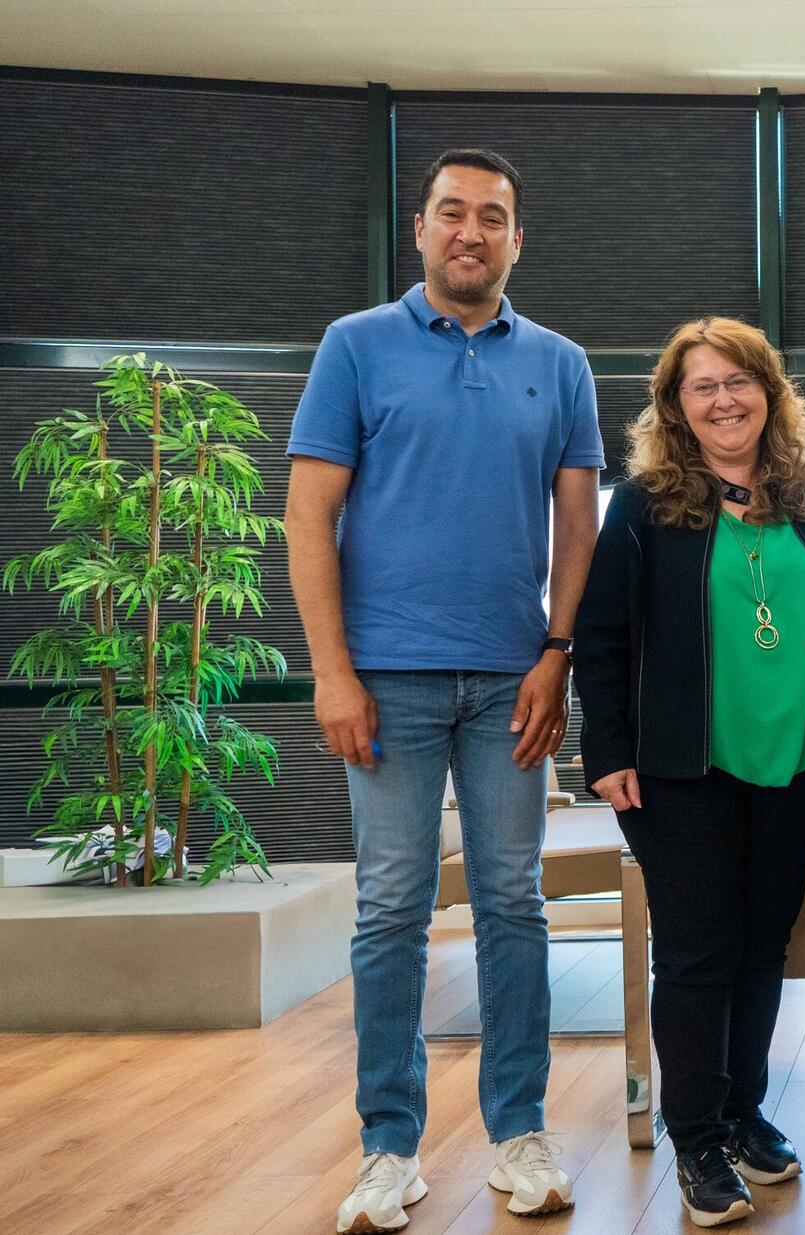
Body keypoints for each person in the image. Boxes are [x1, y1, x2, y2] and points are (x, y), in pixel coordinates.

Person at [286, 148, 596, 1233]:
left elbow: (578, 524)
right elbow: (307, 516)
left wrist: (557, 654)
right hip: (384, 682)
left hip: (513, 681)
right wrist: (331, 669)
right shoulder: (355, 347)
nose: (472, 231)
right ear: (420, 227)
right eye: (453, 213)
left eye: (494, 217)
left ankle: (519, 1130)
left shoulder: (558, 363)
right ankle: (387, 1147)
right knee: (391, 910)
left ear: (519, 237)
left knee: (514, 902)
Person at [574, 317, 805, 1229]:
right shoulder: (642, 506)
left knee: (763, 948)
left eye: (739, 381)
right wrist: (610, 750)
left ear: (770, 391)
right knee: (697, 953)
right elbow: (602, 637)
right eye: (702, 386)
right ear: (676, 406)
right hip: (679, 768)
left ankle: (745, 1111)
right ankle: (697, 1138)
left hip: (798, 762)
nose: (724, 400)